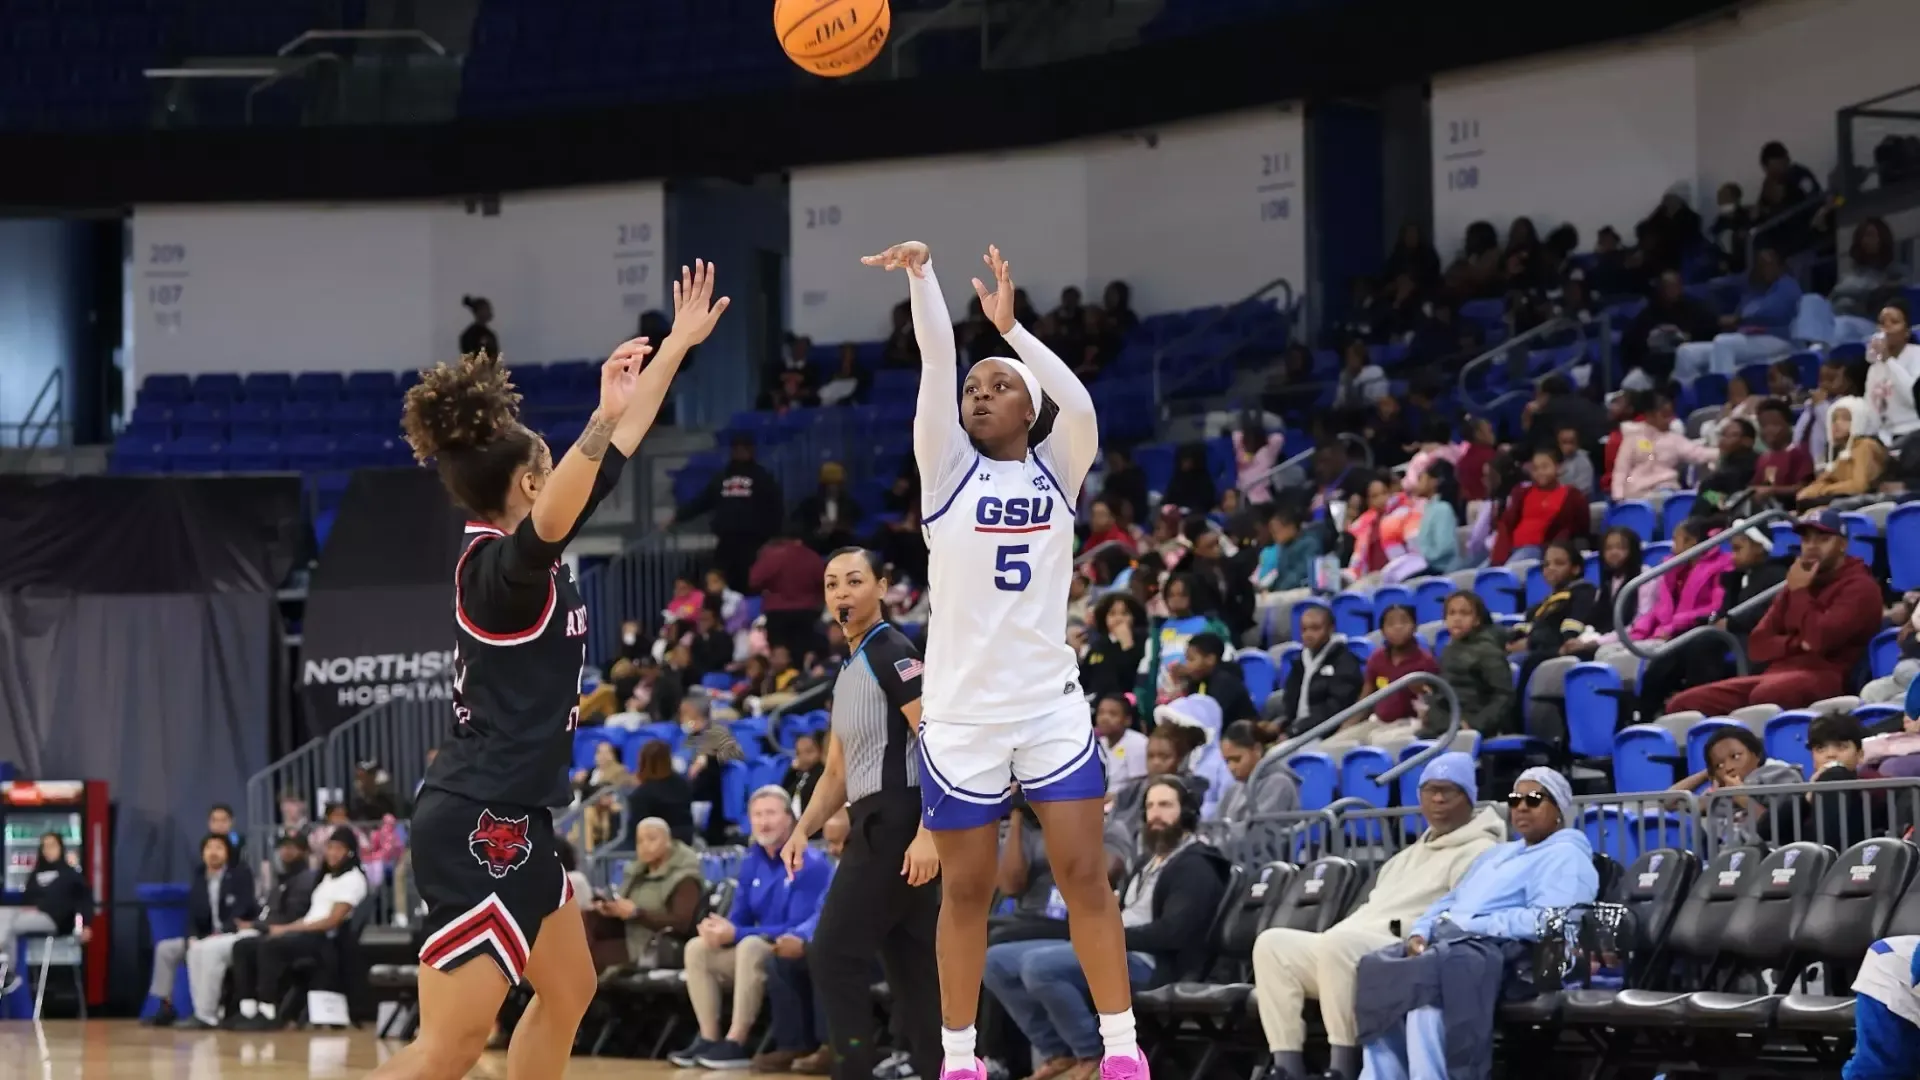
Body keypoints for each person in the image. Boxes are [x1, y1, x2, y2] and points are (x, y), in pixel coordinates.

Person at [368, 262, 726, 1080]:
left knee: (568, 989)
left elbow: (616, 449)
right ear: (530, 483)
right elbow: (573, 489)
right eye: (551, 461)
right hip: (476, 822)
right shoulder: (499, 574)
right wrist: (599, 414)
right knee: (452, 1045)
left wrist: (674, 349)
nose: (567, 465)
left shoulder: (527, 553)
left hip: (516, 816)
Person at [865, 239, 1145, 1080]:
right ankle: (960, 1059)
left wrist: (1015, 331)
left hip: (1049, 705)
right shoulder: (944, 470)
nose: (979, 394)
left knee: (1083, 873)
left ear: (1029, 410)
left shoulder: (1061, 469)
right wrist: (925, 280)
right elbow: (935, 361)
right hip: (961, 717)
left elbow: (1081, 403)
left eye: (998, 388)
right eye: (973, 390)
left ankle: (1124, 1051)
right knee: (967, 891)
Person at [779, 546, 943, 1080]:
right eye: (831, 584)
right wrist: (801, 829)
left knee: (832, 956)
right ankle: (935, 1066)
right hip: (878, 817)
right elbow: (835, 773)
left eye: (853, 581)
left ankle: (854, 1068)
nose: (841, 594)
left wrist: (929, 831)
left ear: (881, 586)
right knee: (912, 965)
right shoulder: (849, 667)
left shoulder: (892, 649)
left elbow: (936, 740)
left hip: (899, 821)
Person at [1252, 753, 1502, 1080]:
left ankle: (1342, 1064)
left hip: (1406, 954)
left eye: (1449, 790)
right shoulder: (1406, 856)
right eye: (1429, 790)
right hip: (1351, 949)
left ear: (1469, 796)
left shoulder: (1482, 850)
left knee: (1337, 944)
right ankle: (1287, 1067)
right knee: (1273, 944)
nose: (1438, 798)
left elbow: (1462, 917)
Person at [1353, 768, 1598, 1080]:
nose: (1522, 806)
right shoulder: (1497, 855)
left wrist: (1476, 925)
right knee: (1377, 968)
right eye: (1515, 799)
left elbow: (1554, 921)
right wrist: (1420, 931)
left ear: (1559, 810)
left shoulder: (1567, 856)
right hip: (1455, 946)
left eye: (1534, 799)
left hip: (1519, 960)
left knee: (1427, 996)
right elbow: (1448, 902)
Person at [982, 777, 1229, 1080]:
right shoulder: (1149, 861)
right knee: (995, 961)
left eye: (1165, 805)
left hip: (1152, 963)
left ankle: (1093, 1054)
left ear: (1187, 813)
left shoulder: (1195, 865)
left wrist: (1111, 936)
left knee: (1039, 966)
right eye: (1150, 806)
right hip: (1116, 949)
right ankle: (1059, 1053)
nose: (1156, 814)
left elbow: (1173, 933)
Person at [672, 786, 834, 1068]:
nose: (763, 821)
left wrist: (736, 933)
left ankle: (737, 1041)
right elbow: (740, 918)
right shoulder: (751, 861)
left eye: (770, 813)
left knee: (749, 944)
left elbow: (797, 928)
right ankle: (710, 1038)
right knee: (697, 948)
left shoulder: (811, 863)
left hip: (788, 949)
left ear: (790, 818)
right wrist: (719, 929)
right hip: (756, 948)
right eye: (757, 815)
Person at [1668, 512, 1882, 715]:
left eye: (1823, 539)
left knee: (1768, 694)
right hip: (1773, 675)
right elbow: (1758, 644)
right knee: (1683, 704)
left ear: (1842, 545)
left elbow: (1818, 640)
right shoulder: (1798, 583)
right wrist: (1798, 643)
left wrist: (1800, 593)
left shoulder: (1859, 587)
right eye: (1806, 540)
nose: (1812, 547)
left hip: (1826, 676)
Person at [1634, 525, 1785, 721]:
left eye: (1738, 549)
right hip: (1730, 631)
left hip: (1752, 636)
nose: (1732, 556)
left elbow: (1766, 614)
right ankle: (1647, 712)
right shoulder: (1735, 577)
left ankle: (1699, 707)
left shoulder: (1775, 575)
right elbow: (1723, 610)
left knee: (1702, 645)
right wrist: (1714, 620)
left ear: (1759, 547)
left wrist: (1729, 623)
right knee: (1675, 645)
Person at [227, 826, 369, 1029]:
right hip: (305, 931)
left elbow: (332, 921)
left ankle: (269, 1011)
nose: (333, 853)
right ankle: (247, 1010)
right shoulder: (328, 878)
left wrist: (288, 931)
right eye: (330, 847)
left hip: (323, 939)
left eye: (339, 848)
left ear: (350, 852)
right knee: (243, 946)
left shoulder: (353, 879)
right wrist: (285, 928)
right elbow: (311, 915)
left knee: (271, 946)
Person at [145, 832, 259, 1027]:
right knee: (166, 949)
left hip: (231, 934)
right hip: (203, 936)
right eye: (209, 848)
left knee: (204, 951)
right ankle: (166, 1006)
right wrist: (191, 936)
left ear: (227, 853)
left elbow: (244, 907)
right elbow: (192, 913)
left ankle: (206, 1013)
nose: (213, 853)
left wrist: (223, 930)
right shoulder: (199, 877)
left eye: (218, 848)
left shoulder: (240, 874)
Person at [591, 818, 702, 972]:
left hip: (658, 947)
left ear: (668, 841)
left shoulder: (685, 879)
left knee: (591, 958)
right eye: (639, 841)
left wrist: (637, 913)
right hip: (630, 938)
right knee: (585, 926)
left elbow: (682, 924)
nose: (644, 846)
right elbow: (626, 909)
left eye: (651, 839)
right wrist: (611, 909)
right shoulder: (636, 874)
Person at [1669, 726, 1803, 847]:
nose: (1728, 767)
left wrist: (1744, 800)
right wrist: (1709, 772)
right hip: (1731, 863)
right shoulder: (1719, 795)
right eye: (1720, 765)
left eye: (1735, 756)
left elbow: (1782, 830)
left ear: (1756, 754)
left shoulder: (1781, 777)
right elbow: (1669, 801)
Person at [0, 832, 92, 994]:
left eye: (52, 846)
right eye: (44, 846)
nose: (48, 850)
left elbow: (84, 900)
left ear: (61, 848)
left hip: (56, 919)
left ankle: (8, 973)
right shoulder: (35, 875)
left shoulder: (70, 875)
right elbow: (27, 898)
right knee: (4, 915)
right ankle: (8, 974)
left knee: (6, 922)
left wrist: (85, 924)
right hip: (30, 915)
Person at [1263, 605, 1364, 739]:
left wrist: (1295, 730)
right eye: (1304, 629)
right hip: (1299, 728)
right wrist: (1285, 725)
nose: (1308, 635)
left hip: (1328, 732)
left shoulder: (1345, 662)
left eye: (1315, 628)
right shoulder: (1300, 660)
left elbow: (1334, 709)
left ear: (1330, 629)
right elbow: (1290, 700)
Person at [1430, 591, 1513, 743]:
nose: (1457, 618)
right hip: (1449, 725)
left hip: (1477, 727)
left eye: (1464, 613)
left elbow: (1503, 697)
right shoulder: (1448, 650)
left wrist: (1474, 724)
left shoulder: (1488, 650)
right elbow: (1441, 696)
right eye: (1451, 613)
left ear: (1477, 620)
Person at [1491, 448, 1590, 566]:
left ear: (1558, 468)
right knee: (1481, 576)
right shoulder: (1522, 493)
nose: (1540, 472)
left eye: (1545, 467)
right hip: (1511, 548)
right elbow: (1506, 524)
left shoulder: (1572, 495)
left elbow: (1582, 526)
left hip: (1540, 550)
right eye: (1536, 468)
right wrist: (1499, 556)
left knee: (1505, 573)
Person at [1798, 396, 1888, 507]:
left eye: (1845, 419)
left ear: (1860, 419)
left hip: (1863, 504)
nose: (1837, 423)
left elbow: (1858, 486)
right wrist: (1811, 491)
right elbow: (1823, 481)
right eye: (1834, 419)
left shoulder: (1865, 445)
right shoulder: (1841, 450)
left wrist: (1825, 490)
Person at [1213, 721, 1299, 825]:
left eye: (1236, 759)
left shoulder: (1280, 784)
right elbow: (1215, 828)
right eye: (1227, 761)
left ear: (1257, 749)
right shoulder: (1234, 789)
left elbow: (1258, 835)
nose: (1231, 767)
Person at [626, 740, 696, 845]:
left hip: (655, 848)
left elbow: (635, 835)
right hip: (686, 844)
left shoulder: (641, 795)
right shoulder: (683, 784)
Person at [1080, 593, 1147, 699]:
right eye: (1112, 614)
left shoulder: (1143, 642)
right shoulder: (1097, 645)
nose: (1118, 619)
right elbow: (1084, 678)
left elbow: (1134, 677)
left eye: (1125, 614)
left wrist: (1127, 645)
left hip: (1126, 701)